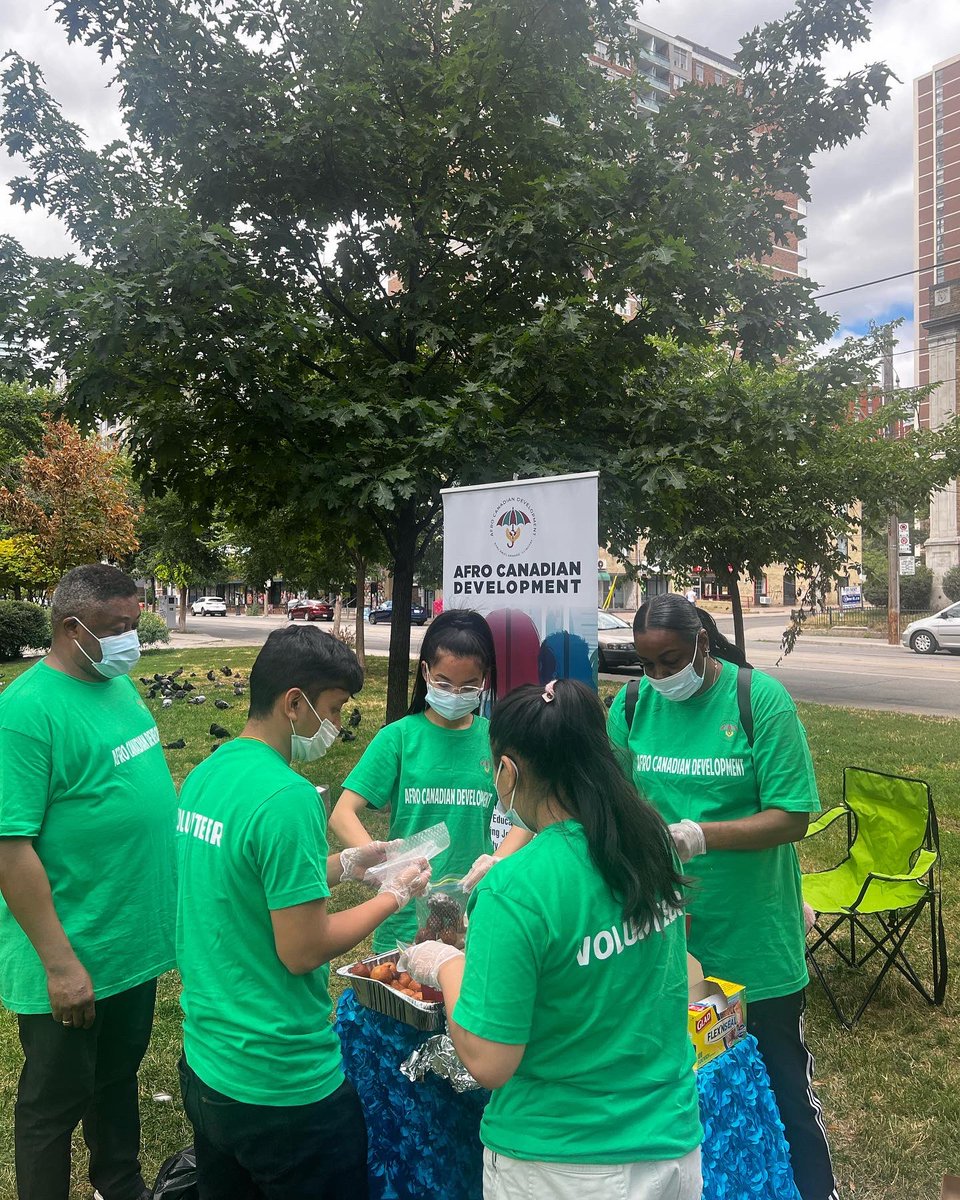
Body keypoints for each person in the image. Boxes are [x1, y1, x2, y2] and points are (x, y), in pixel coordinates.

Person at [400, 678, 702, 1200]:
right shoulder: (652, 840)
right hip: (670, 1143)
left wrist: (446, 964)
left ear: (509, 770)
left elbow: (491, 1062)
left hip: (562, 1162)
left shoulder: (514, 891)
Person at [175, 624, 431, 1199]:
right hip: (281, 1083)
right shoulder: (288, 797)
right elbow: (303, 949)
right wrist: (394, 895)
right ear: (294, 703)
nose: (337, 727)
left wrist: (348, 864)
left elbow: (245, 882)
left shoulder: (208, 774)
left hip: (209, 1062)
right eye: (334, 709)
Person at [607, 593, 836, 1200]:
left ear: (703, 645)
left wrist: (701, 836)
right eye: (646, 663)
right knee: (683, 1086)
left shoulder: (758, 699)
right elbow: (609, 793)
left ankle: (816, 1190)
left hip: (752, 934)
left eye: (670, 660)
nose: (658, 676)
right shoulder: (631, 705)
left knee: (779, 1082)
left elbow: (793, 817)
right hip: (664, 936)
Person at [0, 564, 174, 1200]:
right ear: (71, 628)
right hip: (74, 950)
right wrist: (60, 964)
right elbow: (9, 846)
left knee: (117, 1078)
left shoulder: (117, 687)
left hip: (131, 943)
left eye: (134, 623)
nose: (130, 638)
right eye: (116, 628)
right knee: (52, 1104)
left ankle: (119, 1184)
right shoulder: (24, 714)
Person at [330, 609, 528, 951]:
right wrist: (386, 869)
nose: (455, 693)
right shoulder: (399, 738)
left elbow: (527, 817)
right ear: (425, 672)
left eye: (468, 686)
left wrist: (497, 862)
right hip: (403, 917)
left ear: (485, 680)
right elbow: (343, 812)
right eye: (444, 682)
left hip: (470, 917)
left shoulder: (495, 739)